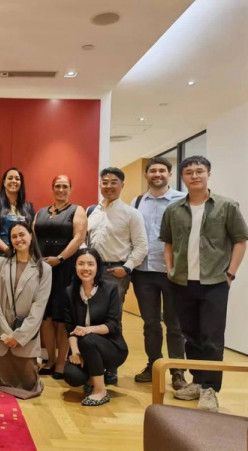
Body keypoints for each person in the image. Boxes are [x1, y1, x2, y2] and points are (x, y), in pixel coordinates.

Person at [160, 155, 248, 412]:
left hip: (215, 281)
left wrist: (230, 273)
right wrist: (170, 269)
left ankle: (211, 389)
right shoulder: (174, 209)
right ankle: (198, 382)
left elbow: (241, 240)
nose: (194, 176)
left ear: (208, 174)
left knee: (211, 337)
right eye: (189, 172)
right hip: (182, 281)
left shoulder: (227, 206)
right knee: (191, 336)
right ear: (183, 177)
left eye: (199, 171)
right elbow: (168, 242)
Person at [86, 167, 147, 384]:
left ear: (122, 185)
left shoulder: (132, 214)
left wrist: (127, 268)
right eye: (105, 182)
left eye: (114, 182)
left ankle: (111, 368)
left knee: (112, 320)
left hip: (116, 273)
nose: (109, 186)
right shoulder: (92, 211)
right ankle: (92, 363)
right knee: (91, 316)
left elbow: (141, 246)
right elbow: (86, 240)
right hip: (91, 272)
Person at [130, 157, 187, 388]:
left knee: (175, 325)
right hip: (144, 272)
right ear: (146, 175)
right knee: (150, 323)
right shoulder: (136, 202)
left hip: (172, 272)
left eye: (162, 170)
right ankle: (153, 365)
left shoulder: (181, 200)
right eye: (152, 170)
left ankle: (177, 372)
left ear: (169, 174)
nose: (157, 174)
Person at [0, 222, 52, 399]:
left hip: (26, 337)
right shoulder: (0, 263)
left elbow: (39, 306)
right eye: (14, 236)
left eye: (22, 234)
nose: (18, 239)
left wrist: (18, 336)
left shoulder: (44, 269)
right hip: (1, 336)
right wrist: (5, 332)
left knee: (28, 385)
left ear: (31, 236)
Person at [33, 175, 87, 378]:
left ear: (71, 189)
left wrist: (60, 258)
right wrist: (39, 261)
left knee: (62, 318)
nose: (61, 190)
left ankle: (61, 363)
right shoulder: (40, 212)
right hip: (43, 269)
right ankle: (50, 360)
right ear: (52, 188)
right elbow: (33, 238)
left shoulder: (77, 210)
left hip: (65, 269)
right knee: (45, 317)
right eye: (57, 186)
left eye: (65, 186)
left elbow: (78, 237)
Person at [63, 248, 128, 406]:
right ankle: (93, 376)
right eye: (81, 264)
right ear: (75, 266)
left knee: (88, 340)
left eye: (90, 264)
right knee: (72, 376)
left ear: (98, 267)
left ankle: (100, 391)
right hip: (83, 347)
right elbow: (70, 328)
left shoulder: (110, 288)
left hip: (111, 348)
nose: (85, 268)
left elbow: (113, 325)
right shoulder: (70, 291)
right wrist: (76, 353)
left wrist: (88, 330)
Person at [0, 168, 35, 265]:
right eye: (10, 178)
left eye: (17, 179)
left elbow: (32, 232)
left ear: (21, 183)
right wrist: (8, 250)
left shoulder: (29, 207)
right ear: (4, 182)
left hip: (24, 255)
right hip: (1, 254)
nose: (13, 181)